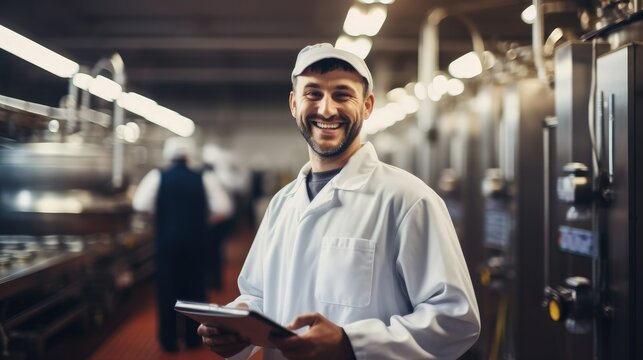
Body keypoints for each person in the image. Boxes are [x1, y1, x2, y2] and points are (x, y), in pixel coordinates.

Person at [198, 43, 480, 359]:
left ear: (368, 106)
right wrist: (236, 323)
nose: (327, 109)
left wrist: (350, 343)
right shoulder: (282, 204)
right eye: (313, 94)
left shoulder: (408, 200)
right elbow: (260, 294)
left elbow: (455, 319)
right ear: (294, 104)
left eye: (342, 95)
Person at [133, 136, 232, 352]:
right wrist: (202, 221)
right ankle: (193, 338)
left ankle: (169, 341)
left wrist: (159, 217)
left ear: (168, 155)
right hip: (197, 243)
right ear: (190, 154)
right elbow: (223, 208)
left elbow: (139, 204)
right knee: (195, 289)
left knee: (167, 289)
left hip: (166, 243)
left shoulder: (157, 176)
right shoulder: (204, 177)